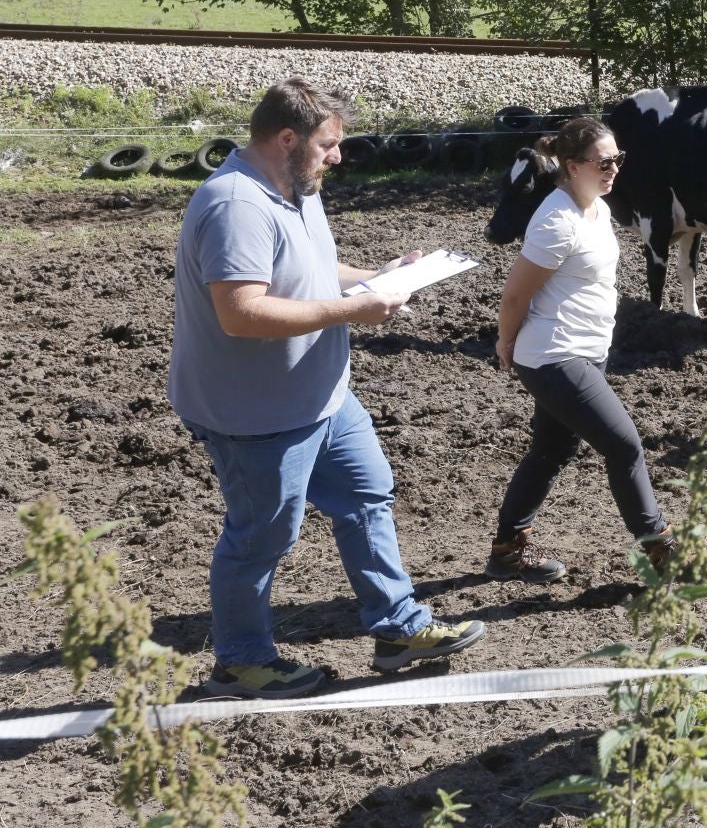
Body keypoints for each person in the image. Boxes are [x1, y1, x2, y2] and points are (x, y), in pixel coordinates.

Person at [169, 79, 485, 700]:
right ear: (287, 138)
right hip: (254, 412)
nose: (338, 156)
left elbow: (309, 268)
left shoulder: (296, 186)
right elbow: (242, 311)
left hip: (321, 394)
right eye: (329, 144)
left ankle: (399, 627)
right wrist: (353, 311)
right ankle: (238, 663)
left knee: (367, 495)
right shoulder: (236, 205)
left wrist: (376, 277)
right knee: (263, 536)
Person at [487, 117, 675, 583]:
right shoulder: (556, 220)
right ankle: (662, 551)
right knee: (624, 444)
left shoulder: (596, 208)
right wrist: (506, 341)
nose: (614, 169)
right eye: (604, 162)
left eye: (619, 159)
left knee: (550, 450)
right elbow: (514, 296)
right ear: (572, 166)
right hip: (554, 355)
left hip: (586, 351)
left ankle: (507, 551)